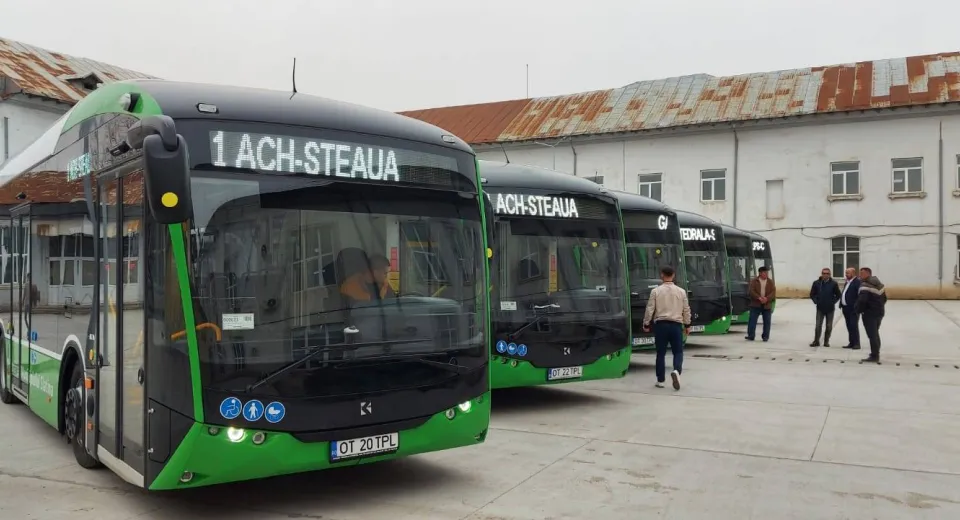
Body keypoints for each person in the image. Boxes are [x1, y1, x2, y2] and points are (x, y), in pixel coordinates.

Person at [642, 266, 691, 390]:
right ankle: (676, 371)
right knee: (678, 352)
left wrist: (646, 323)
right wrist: (687, 324)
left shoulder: (656, 291)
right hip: (676, 325)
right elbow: (686, 310)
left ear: (662, 275)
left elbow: (650, 309)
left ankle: (660, 380)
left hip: (661, 325)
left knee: (660, 353)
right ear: (673, 275)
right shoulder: (681, 291)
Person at [854, 267, 887, 363]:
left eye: (862, 274)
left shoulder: (865, 285)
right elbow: (884, 299)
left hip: (869, 314)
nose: (860, 276)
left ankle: (874, 356)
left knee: (872, 335)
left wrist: (858, 310)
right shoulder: (880, 284)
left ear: (868, 274)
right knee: (875, 333)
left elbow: (862, 301)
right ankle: (876, 352)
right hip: (879, 313)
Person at [808, 267, 841, 347]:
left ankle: (826, 341)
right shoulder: (816, 283)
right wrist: (816, 301)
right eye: (824, 273)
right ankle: (816, 341)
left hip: (830, 309)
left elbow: (838, 295)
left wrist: (833, 302)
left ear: (830, 275)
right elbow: (812, 294)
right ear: (821, 274)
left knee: (829, 326)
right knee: (818, 325)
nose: (825, 275)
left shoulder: (833, 283)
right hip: (820, 308)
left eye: (827, 273)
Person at [745, 265, 776, 342]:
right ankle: (751, 335)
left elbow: (773, 292)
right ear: (760, 273)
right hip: (755, 304)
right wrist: (758, 297)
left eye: (767, 273)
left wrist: (766, 298)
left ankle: (765, 336)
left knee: (767, 321)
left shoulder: (770, 282)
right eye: (764, 272)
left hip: (766, 304)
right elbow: (751, 291)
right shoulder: (754, 281)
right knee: (752, 320)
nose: (766, 274)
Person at [838, 267, 861, 350]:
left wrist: (857, 306)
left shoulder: (857, 282)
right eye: (846, 273)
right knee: (849, 326)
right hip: (845, 308)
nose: (846, 274)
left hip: (853, 309)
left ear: (853, 273)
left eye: (848, 273)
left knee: (853, 326)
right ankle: (851, 343)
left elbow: (860, 296)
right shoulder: (847, 282)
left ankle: (857, 344)